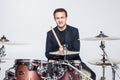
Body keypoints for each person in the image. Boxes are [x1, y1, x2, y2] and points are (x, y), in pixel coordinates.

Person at [45, 8, 96, 80]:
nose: (60, 20)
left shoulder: (74, 31)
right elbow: (47, 53)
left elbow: (76, 51)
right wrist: (58, 54)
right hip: (56, 64)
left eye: (62, 17)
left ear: (66, 18)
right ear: (55, 19)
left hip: (73, 62)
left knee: (91, 75)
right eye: (57, 18)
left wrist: (64, 53)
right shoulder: (50, 33)